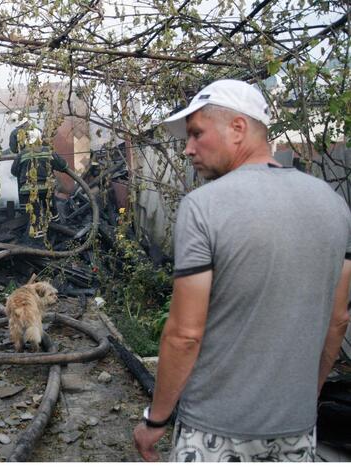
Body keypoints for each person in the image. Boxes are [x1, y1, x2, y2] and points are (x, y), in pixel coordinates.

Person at [132, 79, 351, 462]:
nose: (187, 148)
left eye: (197, 133)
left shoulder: (204, 207)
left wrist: (156, 420)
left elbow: (184, 335)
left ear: (237, 128)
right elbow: (337, 321)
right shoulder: (334, 206)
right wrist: (305, 397)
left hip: (214, 430)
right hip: (297, 430)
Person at [10, 127, 68, 239]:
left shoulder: (21, 154)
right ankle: (56, 225)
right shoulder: (47, 151)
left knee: (34, 211)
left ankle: (37, 235)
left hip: (28, 189)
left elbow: (13, 171)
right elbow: (62, 165)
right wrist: (64, 166)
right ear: (39, 139)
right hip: (47, 187)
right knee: (50, 206)